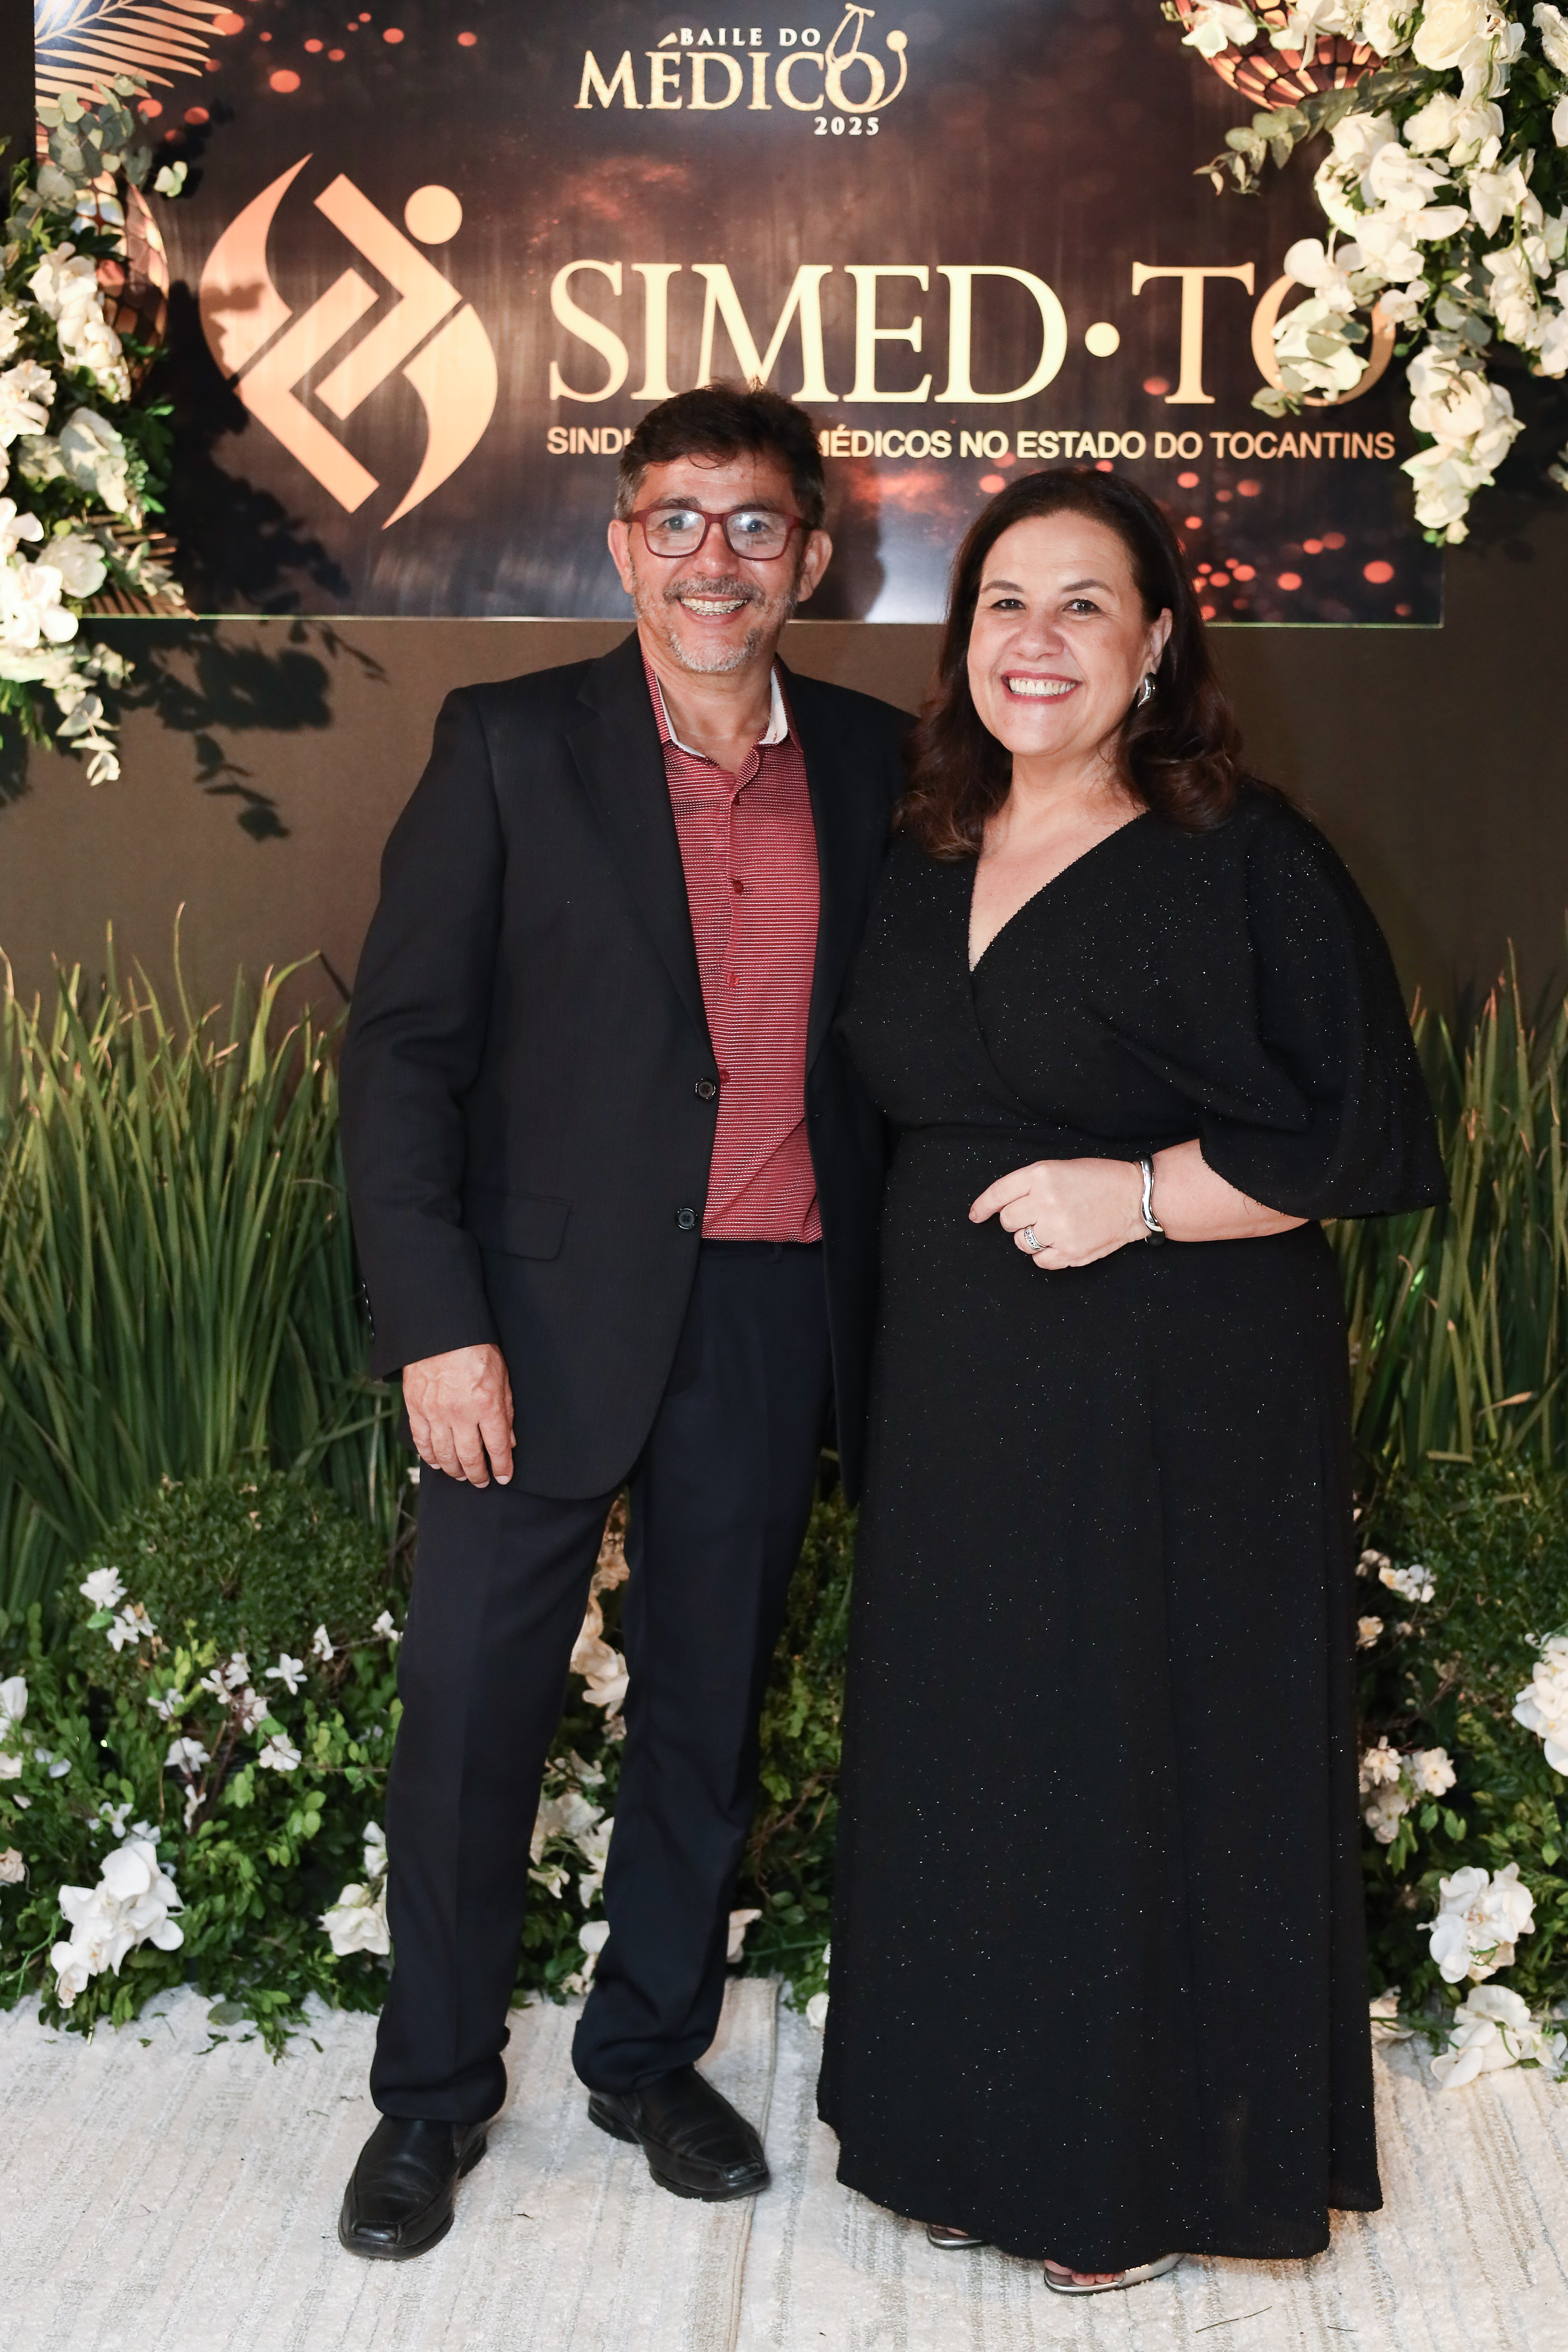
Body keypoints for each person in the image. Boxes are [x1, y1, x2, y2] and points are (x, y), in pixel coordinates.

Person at [816, 467, 1447, 2293]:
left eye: (1084, 604)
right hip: (958, 1398)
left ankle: (1133, 2181)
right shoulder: (922, 850)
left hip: (1177, 1396)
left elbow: (1360, 1133)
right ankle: (957, 2136)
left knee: (1134, 1754)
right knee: (971, 1752)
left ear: (1159, 642)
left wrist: (1143, 1196)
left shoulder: (1243, 855)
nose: (1039, 640)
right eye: (1006, 603)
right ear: (964, 639)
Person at [336, 383, 906, 2260]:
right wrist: (437, 1326)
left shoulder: (880, 765)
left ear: (809, 555)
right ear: (622, 546)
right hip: (526, 1325)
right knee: (469, 1719)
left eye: (753, 525)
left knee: (704, 1718)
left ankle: (646, 2053)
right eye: (677, 521)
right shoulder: (509, 745)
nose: (712, 560)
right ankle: (431, 2098)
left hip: (769, 1310)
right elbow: (404, 1057)